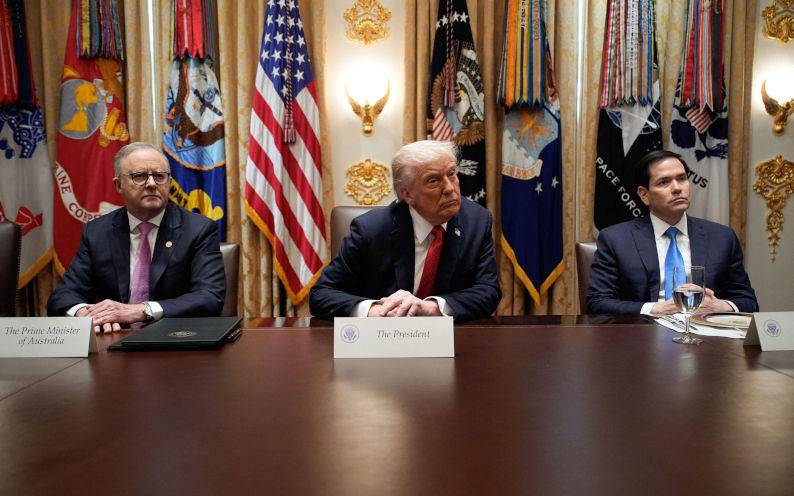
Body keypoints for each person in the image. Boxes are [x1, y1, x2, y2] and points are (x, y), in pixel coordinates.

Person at [309, 140, 501, 322]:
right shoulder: (371, 230)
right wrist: (377, 311)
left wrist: (431, 307)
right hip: (383, 341)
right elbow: (321, 294)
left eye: (451, 174)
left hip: (453, 341)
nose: (450, 188)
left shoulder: (477, 221)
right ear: (407, 194)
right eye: (433, 181)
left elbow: (488, 291)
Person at [47, 142, 225, 332]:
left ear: (169, 182)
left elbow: (209, 297)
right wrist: (86, 313)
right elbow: (63, 296)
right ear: (118, 185)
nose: (151, 184)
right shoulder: (97, 231)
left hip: (175, 341)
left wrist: (141, 311)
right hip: (114, 342)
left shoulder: (199, 230)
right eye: (139, 176)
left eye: (159, 176)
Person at [587, 150, 758, 315]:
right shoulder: (616, 239)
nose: (677, 188)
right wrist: (656, 309)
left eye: (682, 179)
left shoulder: (722, 237)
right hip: (644, 335)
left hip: (706, 333)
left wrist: (720, 305)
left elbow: (748, 301)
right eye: (664, 182)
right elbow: (598, 302)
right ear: (644, 195)